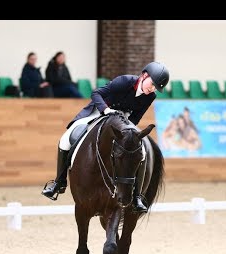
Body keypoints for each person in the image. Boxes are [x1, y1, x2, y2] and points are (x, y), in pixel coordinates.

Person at [41, 61, 170, 213]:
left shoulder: (150, 96)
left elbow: (136, 117)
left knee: (140, 151)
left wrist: (127, 131)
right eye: (152, 84)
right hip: (100, 111)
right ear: (144, 75)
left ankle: (136, 196)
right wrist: (106, 110)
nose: (152, 89)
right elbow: (96, 93)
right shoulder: (124, 81)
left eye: (156, 87)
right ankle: (58, 182)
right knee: (65, 139)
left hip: (123, 120)